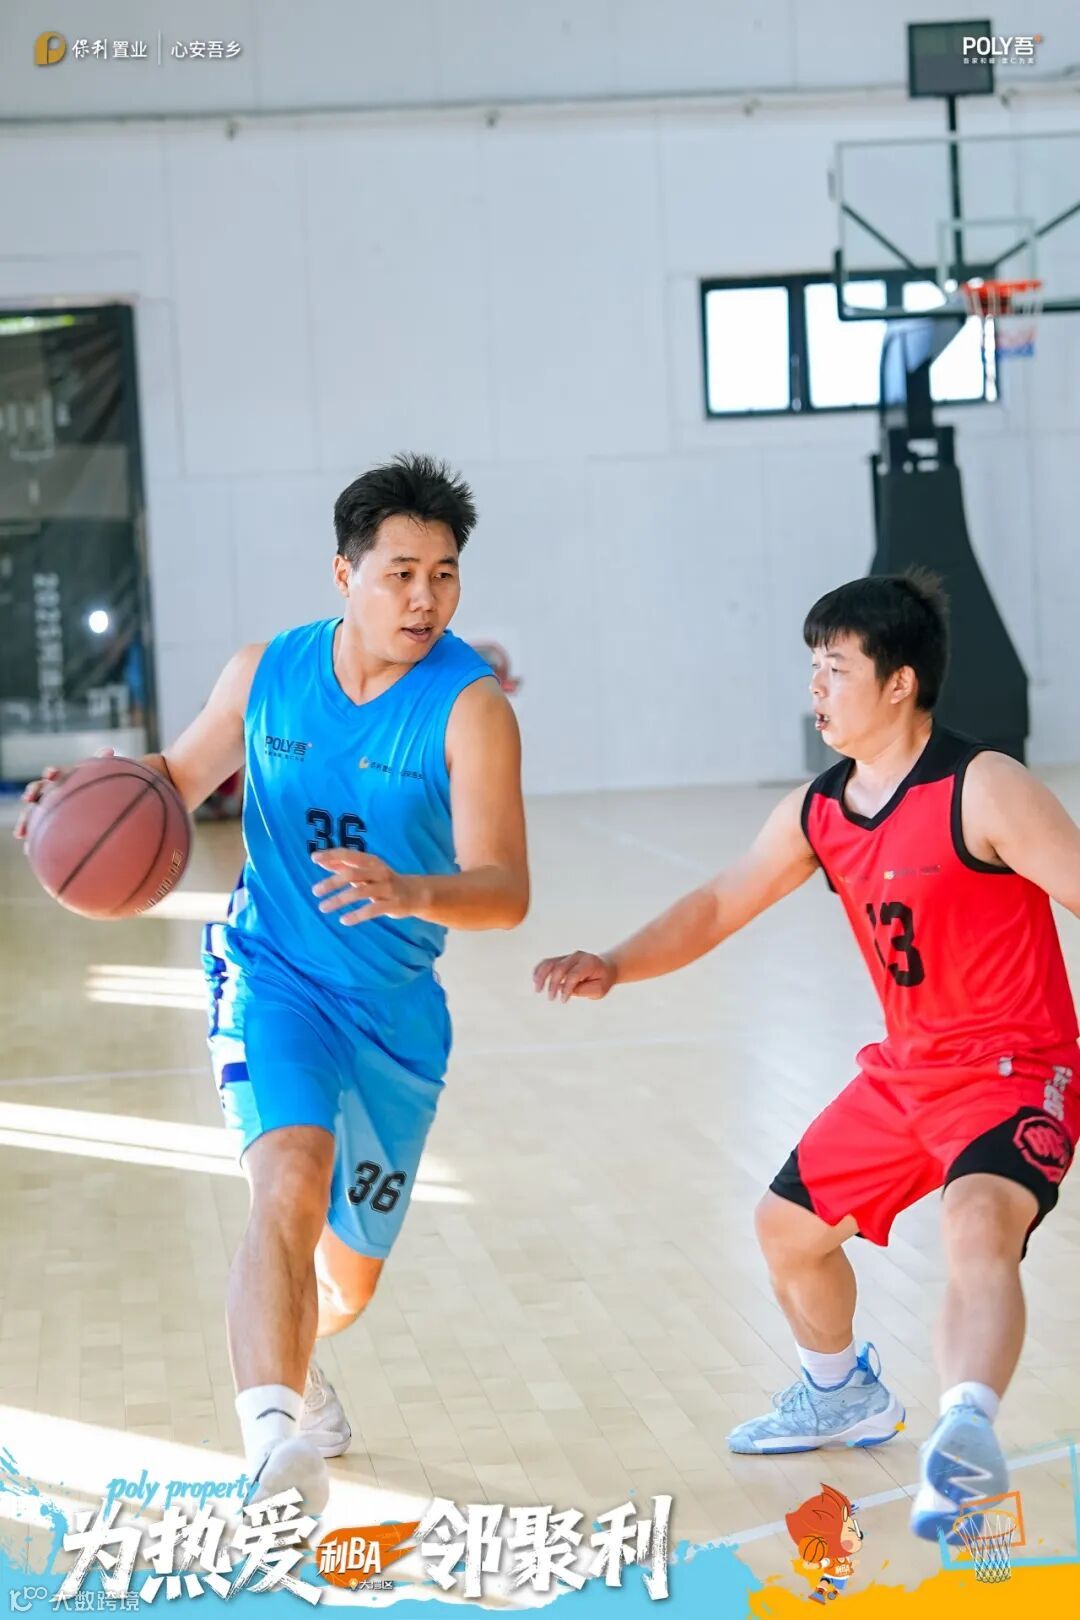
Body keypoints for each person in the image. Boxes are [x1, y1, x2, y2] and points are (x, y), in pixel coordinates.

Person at [18, 453, 530, 1514]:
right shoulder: (266, 673)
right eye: (400, 573)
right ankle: (271, 1450)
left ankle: (303, 1365)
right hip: (274, 975)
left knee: (346, 1281)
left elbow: (505, 890)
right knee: (287, 1182)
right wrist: (86, 793)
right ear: (344, 573)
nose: (425, 598)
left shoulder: (470, 709)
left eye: (443, 575)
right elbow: (174, 779)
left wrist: (410, 890)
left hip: (394, 1014)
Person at [533, 572, 1080, 1543]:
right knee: (785, 1230)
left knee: (975, 1227)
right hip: (907, 1073)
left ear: (900, 683)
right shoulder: (820, 810)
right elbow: (719, 901)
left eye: (835, 670)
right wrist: (614, 962)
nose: (816, 690)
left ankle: (964, 1434)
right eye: (813, 669)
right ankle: (839, 1393)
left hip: (1014, 1071)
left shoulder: (983, 788)